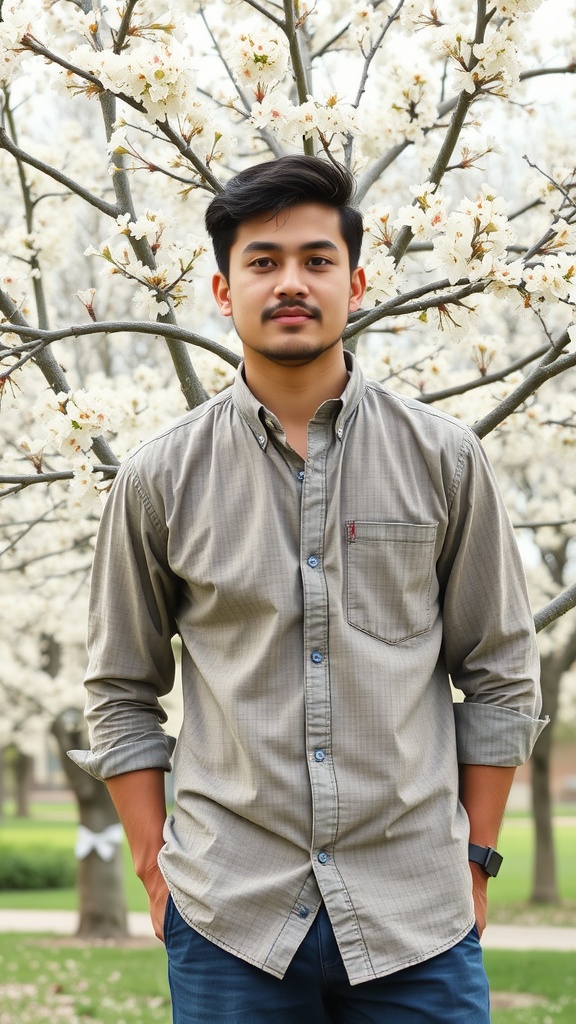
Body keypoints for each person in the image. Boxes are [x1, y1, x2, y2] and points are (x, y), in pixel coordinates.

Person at [70, 155, 547, 1023]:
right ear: (222, 288)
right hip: (229, 921)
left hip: (418, 919)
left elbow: (502, 673)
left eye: (317, 260)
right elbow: (119, 691)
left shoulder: (445, 461)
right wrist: (154, 869)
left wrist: (476, 862)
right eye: (263, 261)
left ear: (356, 282)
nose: (291, 282)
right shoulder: (158, 479)